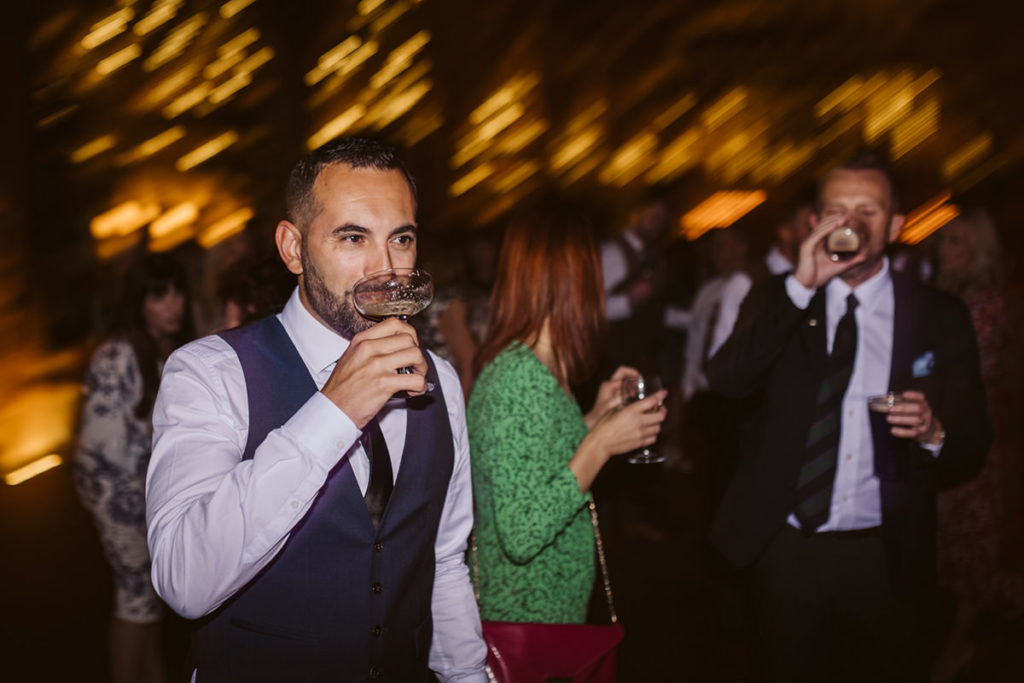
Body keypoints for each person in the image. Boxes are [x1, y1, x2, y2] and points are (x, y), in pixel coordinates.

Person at [145, 136, 488, 681]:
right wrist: (335, 408)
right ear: (293, 249)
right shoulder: (210, 372)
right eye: (353, 238)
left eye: (401, 239)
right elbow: (184, 580)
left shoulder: (440, 380)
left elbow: (443, 561)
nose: (386, 269)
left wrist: (469, 675)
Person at [706, 153, 992, 682]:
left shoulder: (938, 315)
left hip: (884, 553)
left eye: (869, 210)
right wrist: (800, 287)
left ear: (896, 225)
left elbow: (973, 443)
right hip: (785, 550)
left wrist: (933, 432)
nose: (852, 224)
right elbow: (725, 382)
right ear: (816, 223)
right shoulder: (780, 295)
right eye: (838, 210)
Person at [467, 199, 668, 623]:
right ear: (573, 279)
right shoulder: (516, 376)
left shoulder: (540, 366)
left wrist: (594, 418)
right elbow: (522, 533)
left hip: (551, 615)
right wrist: (600, 444)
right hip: (524, 616)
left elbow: (541, 464)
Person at [73, 251, 194, 683]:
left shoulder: (164, 349)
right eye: (159, 295)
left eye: (177, 292)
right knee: (136, 599)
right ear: (138, 301)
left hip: (145, 493)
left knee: (147, 599)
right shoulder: (118, 355)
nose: (173, 304)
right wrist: (134, 504)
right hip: (118, 494)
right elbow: (100, 449)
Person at [930, 209, 1024, 682]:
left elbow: (967, 372)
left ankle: (958, 646)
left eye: (955, 241)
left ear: (977, 251)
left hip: (968, 434)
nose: (943, 248)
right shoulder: (945, 295)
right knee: (947, 539)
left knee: (970, 541)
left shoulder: (984, 303)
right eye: (943, 239)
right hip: (939, 432)